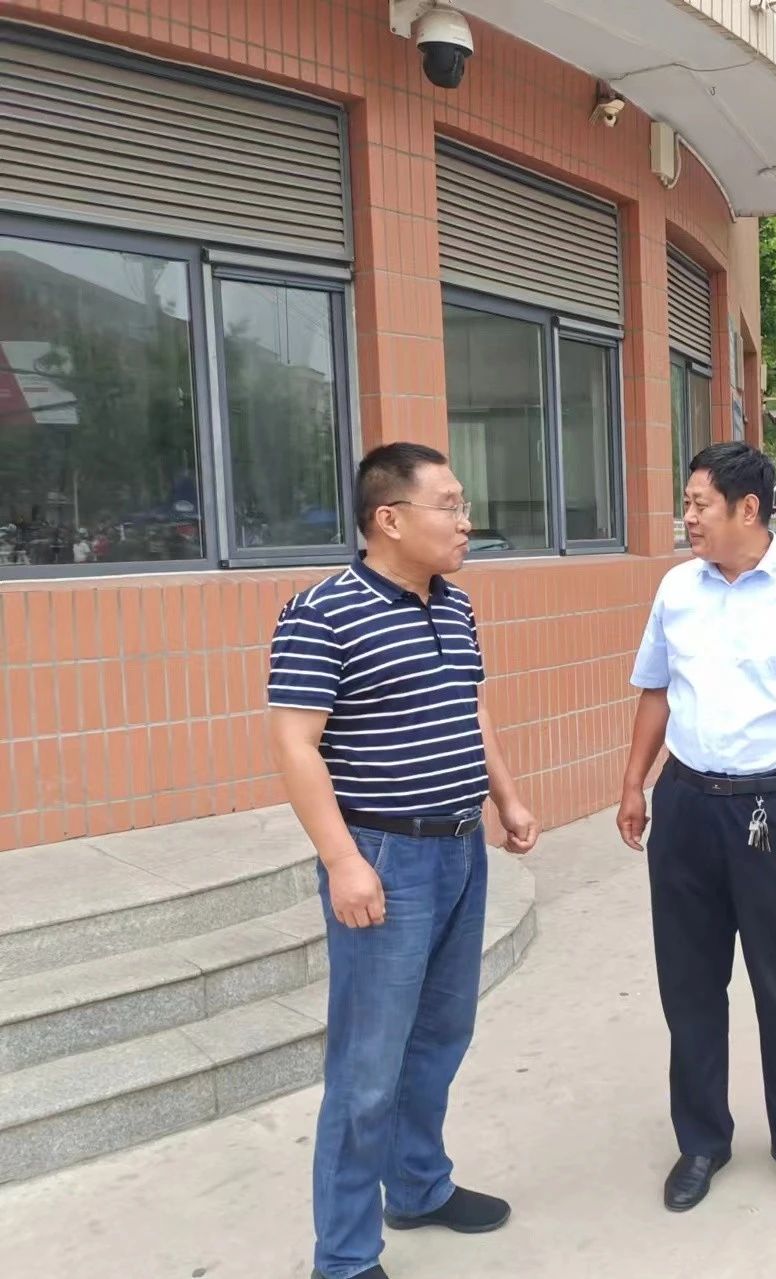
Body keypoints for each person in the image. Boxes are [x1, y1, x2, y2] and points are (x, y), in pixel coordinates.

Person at [268, 442, 539, 1279]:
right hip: (385, 856)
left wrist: (506, 797)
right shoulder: (323, 612)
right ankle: (345, 1258)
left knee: (441, 1036)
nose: (466, 522)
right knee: (368, 1068)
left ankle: (418, 1186)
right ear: (389, 518)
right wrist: (343, 860)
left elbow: (471, 708)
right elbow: (295, 745)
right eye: (449, 505)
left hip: (461, 849)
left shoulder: (453, 604)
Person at [618, 440, 776, 1213]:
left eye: (699, 504)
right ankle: (702, 1140)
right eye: (688, 503)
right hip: (687, 805)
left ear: (747, 508)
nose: (687, 517)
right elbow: (655, 689)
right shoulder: (677, 588)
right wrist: (634, 783)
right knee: (689, 982)